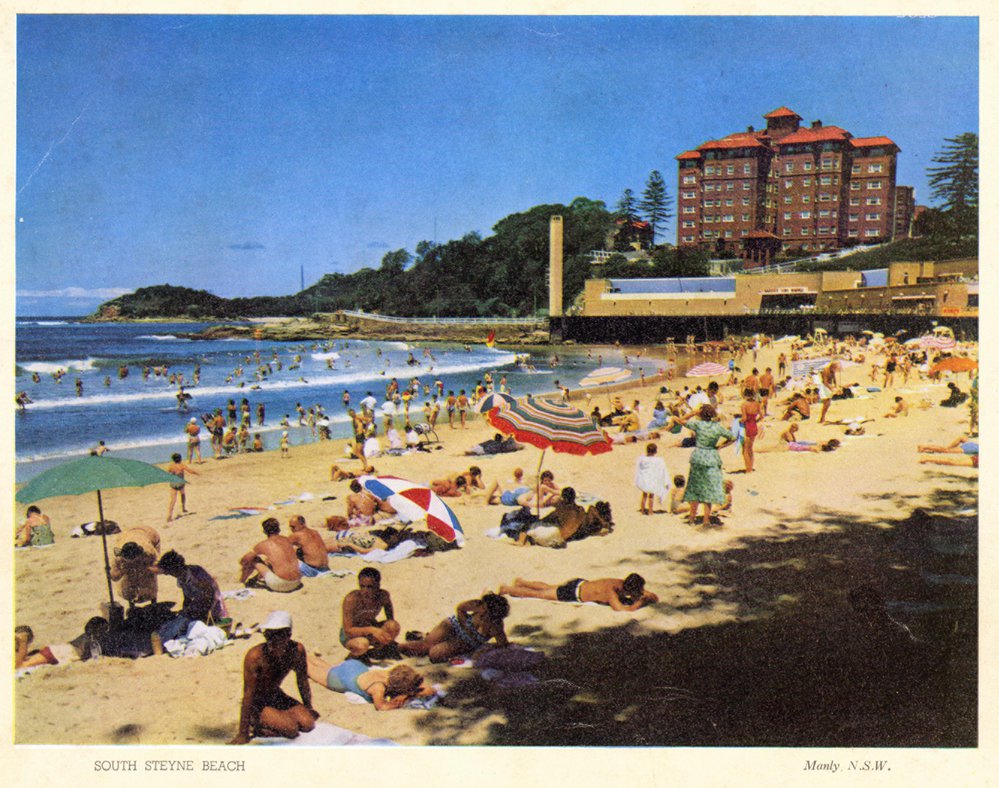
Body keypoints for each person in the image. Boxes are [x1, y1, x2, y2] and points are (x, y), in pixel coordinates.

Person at [228, 611, 318, 744]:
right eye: (269, 636)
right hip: (257, 702)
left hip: (276, 695)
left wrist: (308, 706)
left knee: (308, 724)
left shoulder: (296, 651)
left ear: (288, 636)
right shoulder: (255, 657)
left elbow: (302, 681)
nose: (272, 642)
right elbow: (248, 694)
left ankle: (274, 719)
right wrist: (243, 733)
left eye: (277, 637)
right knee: (291, 729)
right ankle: (257, 725)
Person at [399, 594, 510, 663]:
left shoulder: (495, 626)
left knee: (434, 654)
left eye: (486, 612)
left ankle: (421, 638)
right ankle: (398, 647)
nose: (482, 611)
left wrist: (484, 648)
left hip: (466, 641)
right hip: (454, 625)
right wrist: (465, 624)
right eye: (483, 608)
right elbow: (460, 608)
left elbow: (503, 644)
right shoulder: (478, 604)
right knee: (426, 645)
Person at [678, 404, 735, 528]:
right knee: (708, 489)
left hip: (699, 456)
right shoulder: (717, 427)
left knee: (695, 488)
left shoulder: (698, 425)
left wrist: (693, 412)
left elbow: (681, 420)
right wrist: (720, 446)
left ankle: (692, 518)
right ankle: (706, 520)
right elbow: (732, 437)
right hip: (712, 456)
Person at [154, 550, 227, 644]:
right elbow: (187, 597)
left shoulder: (195, 573)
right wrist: (185, 611)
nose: (170, 574)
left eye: (170, 572)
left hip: (212, 607)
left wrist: (196, 612)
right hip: (198, 607)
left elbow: (209, 595)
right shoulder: (181, 577)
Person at [306, 655, 434, 710]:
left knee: (329, 669)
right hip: (341, 679)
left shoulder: (391, 674)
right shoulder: (378, 688)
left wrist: (406, 695)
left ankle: (308, 655)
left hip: (354, 667)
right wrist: (397, 704)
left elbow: (426, 689)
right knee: (310, 669)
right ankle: (300, 655)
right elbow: (381, 707)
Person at [499, 574, 658, 611]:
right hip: (574, 593)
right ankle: (507, 589)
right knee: (540, 595)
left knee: (548, 587)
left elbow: (652, 595)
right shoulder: (612, 591)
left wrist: (647, 595)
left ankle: (522, 582)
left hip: (581, 583)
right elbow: (621, 609)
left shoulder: (620, 582)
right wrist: (641, 602)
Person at [340, 568, 400, 660]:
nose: (365, 591)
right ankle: (353, 656)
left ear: (378, 586)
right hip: (352, 634)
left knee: (393, 626)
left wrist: (387, 637)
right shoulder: (351, 600)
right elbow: (348, 631)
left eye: (370, 587)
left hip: (370, 626)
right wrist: (372, 630)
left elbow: (390, 617)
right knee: (362, 645)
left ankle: (378, 650)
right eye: (362, 586)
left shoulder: (383, 596)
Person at [237, 518, 303, 593]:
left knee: (254, 559)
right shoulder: (287, 540)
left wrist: (243, 565)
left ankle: (242, 581)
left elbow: (245, 559)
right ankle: (254, 579)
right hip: (297, 582)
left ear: (264, 531)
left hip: (281, 585)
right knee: (270, 561)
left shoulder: (263, 544)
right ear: (278, 529)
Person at [15, 618, 109, 669]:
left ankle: (22, 643)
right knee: (21, 666)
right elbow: (96, 659)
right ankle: (23, 640)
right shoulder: (92, 642)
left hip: (56, 651)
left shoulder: (87, 637)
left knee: (23, 662)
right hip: (56, 654)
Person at [109, 526, 161, 605]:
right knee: (128, 581)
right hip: (126, 534)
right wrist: (123, 571)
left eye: (135, 561)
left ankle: (153, 603)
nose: (132, 563)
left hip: (149, 533)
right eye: (129, 562)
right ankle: (131, 604)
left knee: (150, 578)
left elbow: (159, 568)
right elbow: (114, 577)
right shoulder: (118, 558)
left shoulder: (149, 552)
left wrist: (145, 568)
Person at [634, 442, 669, 516]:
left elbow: (639, 468)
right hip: (652, 480)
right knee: (651, 496)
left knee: (644, 495)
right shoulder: (658, 460)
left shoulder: (642, 459)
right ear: (655, 451)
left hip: (644, 480)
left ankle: (642, 510)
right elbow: (662, 470)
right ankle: (650, 511)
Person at [165, 453, 198, 522]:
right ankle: (183, 507)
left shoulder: (171, 466)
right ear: (180, 459)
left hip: (173, 483)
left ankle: (169, 515)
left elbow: (166, 473)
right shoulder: (182, 465)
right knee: (183, 495)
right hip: (180, 483)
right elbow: (190, 471)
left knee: (173, 500)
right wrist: (197, 473)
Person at [739, 387, 763, 473]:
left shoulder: (744, 405)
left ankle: (748, 469)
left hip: (747, 426)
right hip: (754, 425)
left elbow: (744, 418)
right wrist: (755, 421)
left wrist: (739, 421)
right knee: (750, 448)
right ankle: (751, 467)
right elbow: (762, 416)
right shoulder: (757, 404)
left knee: (745, 449)